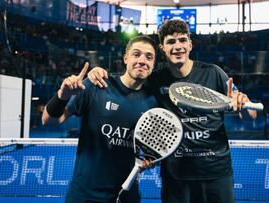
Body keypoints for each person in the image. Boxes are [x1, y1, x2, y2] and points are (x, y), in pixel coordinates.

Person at [87, 20, 258, 203]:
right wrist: (96, 73)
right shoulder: (156, 80)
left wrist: (244, 103)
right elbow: (128, 84)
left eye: (182, 41)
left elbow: (250, 117)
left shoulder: (214, 73)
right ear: (162, 48)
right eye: (171, 42)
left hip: (216, 174)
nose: (178, 46)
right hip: (175, 177)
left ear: (190, 45)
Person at [42, 35, 158, 203]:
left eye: (149, 57)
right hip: (85, 195)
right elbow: (49, 119)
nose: (142, 60)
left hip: (126, 196)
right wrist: (62, 95)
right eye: (136, 54)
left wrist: (149, 159)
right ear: (126, 58)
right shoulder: (98, 85)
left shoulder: (153, 102)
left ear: (153, 64)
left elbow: (149, 149)